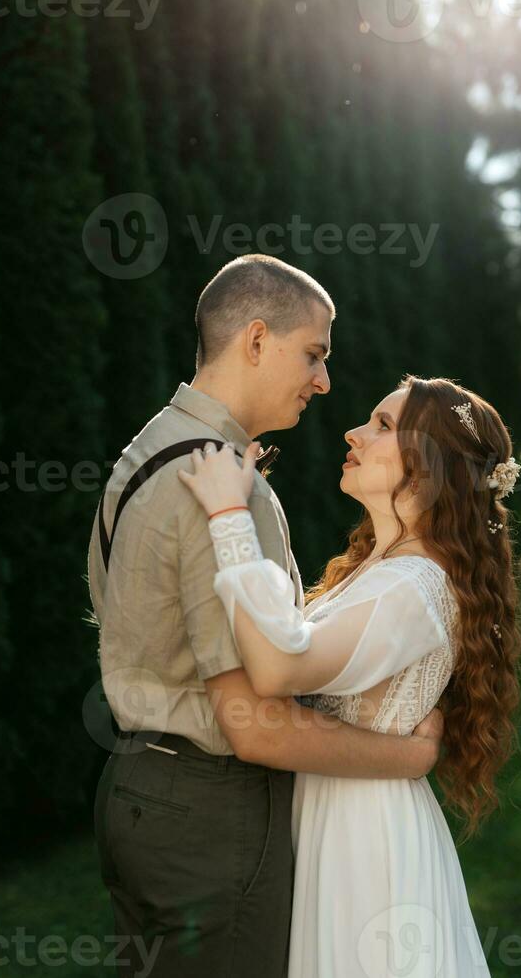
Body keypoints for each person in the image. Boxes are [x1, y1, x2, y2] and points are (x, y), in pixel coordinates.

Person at [87, 254, 445, 978]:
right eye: (314, 354)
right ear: (256, 340)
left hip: (136, 790)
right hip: (211, 815)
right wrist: (408, 756)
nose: (325, 381)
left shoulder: (145, 449)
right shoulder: (222, 482)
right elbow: (253, 720)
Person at [177, 374, 521, 977]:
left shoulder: (415, 586)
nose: (354, 432)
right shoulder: (381, 567)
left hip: (365, 838)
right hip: (334, 814)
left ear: (430, 466)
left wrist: (231, 516)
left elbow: (280, 664)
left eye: (383, 426)